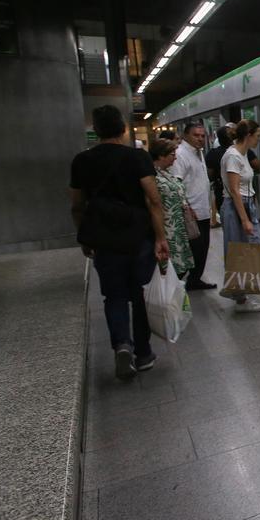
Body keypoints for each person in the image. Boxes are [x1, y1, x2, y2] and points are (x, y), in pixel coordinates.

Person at [70, 105, 170, 379]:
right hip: (139, 238)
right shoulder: (137, 158)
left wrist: (84, 236)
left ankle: (122, 344)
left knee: (113, 296)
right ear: (123, 129)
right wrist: (161, 237)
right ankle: (144, 353)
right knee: (140, 295)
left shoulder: (81, 161)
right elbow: (153, 199)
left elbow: (77, 206)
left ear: (97, 131)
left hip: (104, 240)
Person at [220, 119, 260, 313]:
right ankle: (240, 296)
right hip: (236, 207)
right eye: (257, 136)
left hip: (245, 205)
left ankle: (241, 293)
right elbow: (234, 189)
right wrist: (245, 219)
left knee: (250, 250)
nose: (259, 140)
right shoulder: (233, 156)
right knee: (240, 251)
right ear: (248, 136)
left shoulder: (243, 154)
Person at [170, 121, 216, 290]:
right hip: (191, 213)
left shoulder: (199, 152)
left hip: (202, 211)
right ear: (185, 136)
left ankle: (195, 280)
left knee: (202, 249)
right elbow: (177, 182)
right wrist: (187, 207)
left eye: (202, 136)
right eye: (196, 135)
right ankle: (177, 283)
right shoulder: (180, 154)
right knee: (193, 250)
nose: (200, 139)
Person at [150, 139, 195, 279]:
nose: (175, 157)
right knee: (169, 268)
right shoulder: (153, 176)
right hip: (166, 229)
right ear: (161, 155)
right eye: (171, 154)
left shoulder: (167, 173)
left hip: (177, 228)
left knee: (179, 268)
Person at [205, 125, 234, 229]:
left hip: (222, 195)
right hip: (235, 197)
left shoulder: (212, 154)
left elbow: (210, 176)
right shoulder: (240, 152)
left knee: (229, 232)